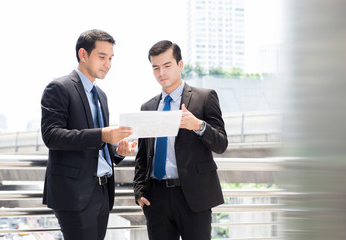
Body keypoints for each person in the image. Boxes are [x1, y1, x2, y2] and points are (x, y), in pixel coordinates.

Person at [41, 29, 136, 240]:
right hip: (74, 194)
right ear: (83, 54)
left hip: (102, 192)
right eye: (102, 57)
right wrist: (102, 135)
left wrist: (117, 152)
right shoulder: (59, 88)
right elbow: (52, 135)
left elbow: (95, 145)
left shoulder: (101, 95)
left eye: (110, 58)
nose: (108, 64)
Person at [133, 40, 228, 240]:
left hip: (194, 196)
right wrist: (140, 191)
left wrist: (199, 126)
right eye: (155, 68)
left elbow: (221, 144)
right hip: (156, 198)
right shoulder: (147, 108)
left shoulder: (205, 98)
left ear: (180, 65)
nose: (161, 73)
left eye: (167, 65)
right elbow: (142, 156)